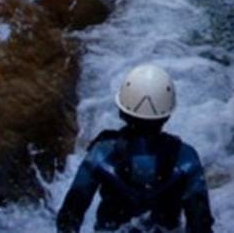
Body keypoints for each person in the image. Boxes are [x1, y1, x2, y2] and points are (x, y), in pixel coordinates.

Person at [57, 65, 214, 233]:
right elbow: (200, 224)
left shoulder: (101, 153)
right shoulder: (185, 158)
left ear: (122, 111)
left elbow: (69, 217)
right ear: (167, 115)